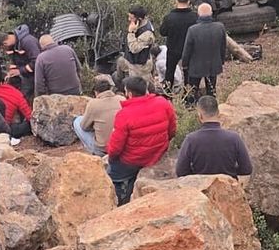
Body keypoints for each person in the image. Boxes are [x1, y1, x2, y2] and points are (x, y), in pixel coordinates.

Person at [104, 75, 177, 206]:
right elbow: (172, 131)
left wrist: (111, 157)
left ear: (129, 93)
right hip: (157, 153)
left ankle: (121, 200)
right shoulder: (163, 103)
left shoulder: (124, 114)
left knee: (111, 176)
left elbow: (115, 148)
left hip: (131, 160)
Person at [174, 96, 253, 179]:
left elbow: (181, 171)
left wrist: (196, 177)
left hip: (201, 186)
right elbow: (247, 169)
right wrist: (230, 173)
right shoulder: (234, 138)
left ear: (200, 116)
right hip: (228, 185)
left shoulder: (191, 140)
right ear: (218, 113)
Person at [180, 2, 226, 104]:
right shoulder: (220, 27)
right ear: (211, 13)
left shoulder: (193, 30)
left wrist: (185, 64)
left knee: (193, 89)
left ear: (198, 14)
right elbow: (223, 46)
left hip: (196, 65)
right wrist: (221, 60)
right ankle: (211, 106)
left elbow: (187, 49)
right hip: (213, 64)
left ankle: (191, 106)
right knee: (211, 89)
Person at [74, 75, 122, 156]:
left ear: (96, 92)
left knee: (77, 121)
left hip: (102, 148)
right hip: (120, 145)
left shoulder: (93, 103)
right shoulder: (121, 99)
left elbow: (84, 127)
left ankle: (93, 152)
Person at [159, 0, 198, 93]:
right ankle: (188, 95)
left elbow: (163, 32)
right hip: (190, 49)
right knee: (188, 73)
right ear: (188, 1)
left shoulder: (169, 17)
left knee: (169, 72)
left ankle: (168, 94)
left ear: (176, 1)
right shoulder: (195, 17)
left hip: (173, 48)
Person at [0, 67, 34, 144]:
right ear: (19, 87)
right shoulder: (18, 95)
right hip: (6, 129)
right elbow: (30, 117)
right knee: (27, 126)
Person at [116, 6, 157, 81]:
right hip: (130, 59)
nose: (129, 19)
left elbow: (134, 49)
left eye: (131, 18)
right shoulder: (137, 25)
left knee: (136, 84)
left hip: (140, 65)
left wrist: (131, 32)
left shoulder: (147, 33)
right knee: (120, 61)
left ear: (139, 19)